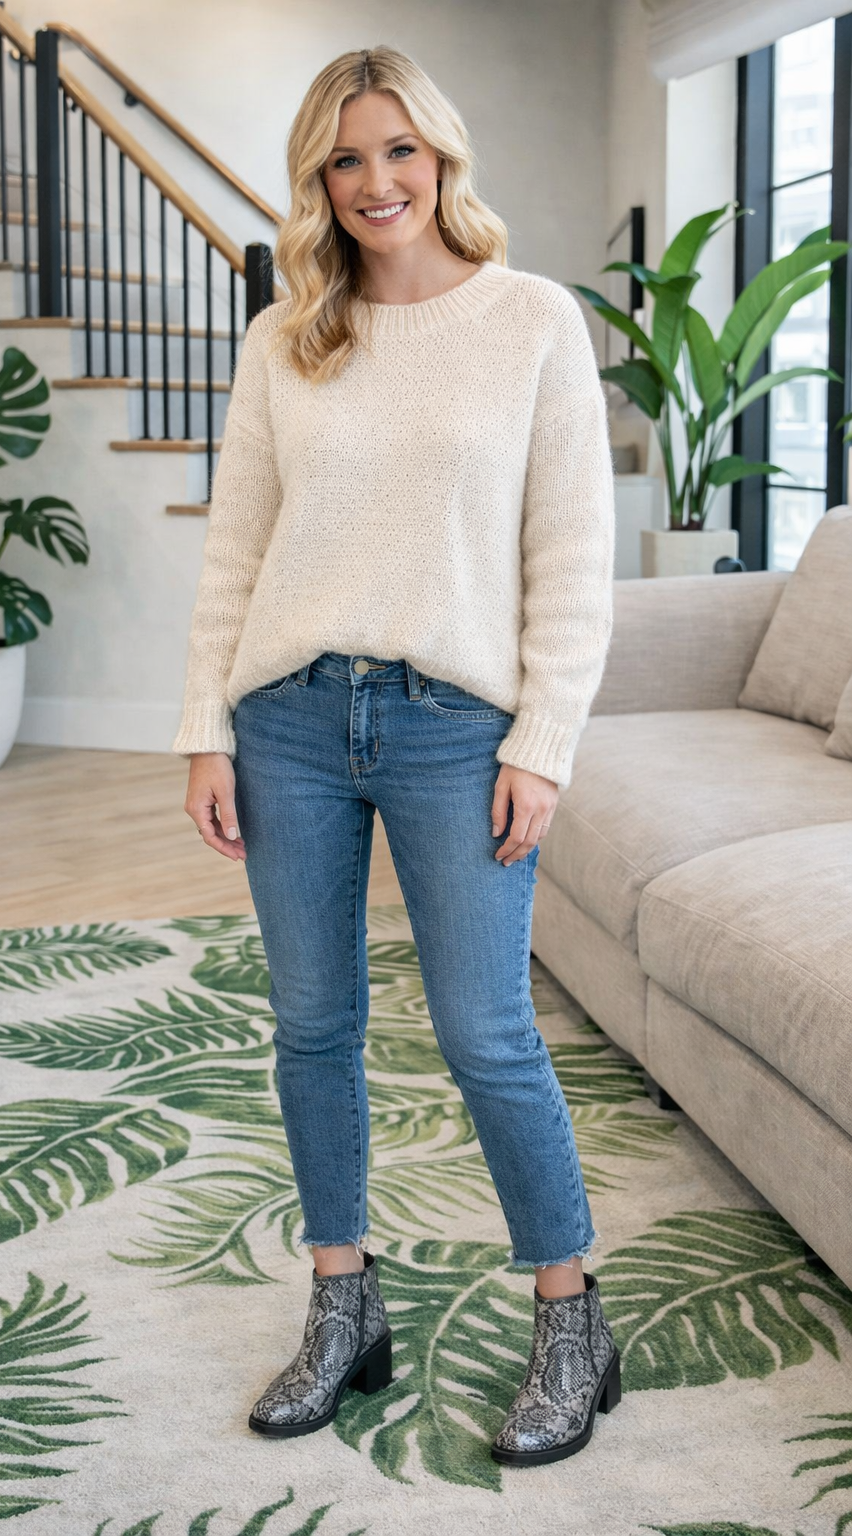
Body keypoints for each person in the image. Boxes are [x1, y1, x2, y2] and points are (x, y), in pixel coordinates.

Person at [172, 44, 620, 1467]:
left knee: (487, 1032)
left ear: (442, 156)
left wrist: (543, 742)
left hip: (455, 729)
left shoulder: (533, 321)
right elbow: (237, 547)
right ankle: (343, 1302)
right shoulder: (285, 337)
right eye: (346, 159)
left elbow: (572, 557)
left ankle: (572, 1316)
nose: (376, 183)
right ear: (320, 179)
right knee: (313, 1024)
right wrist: (206, 728)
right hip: (289, 720)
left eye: (399, 151)